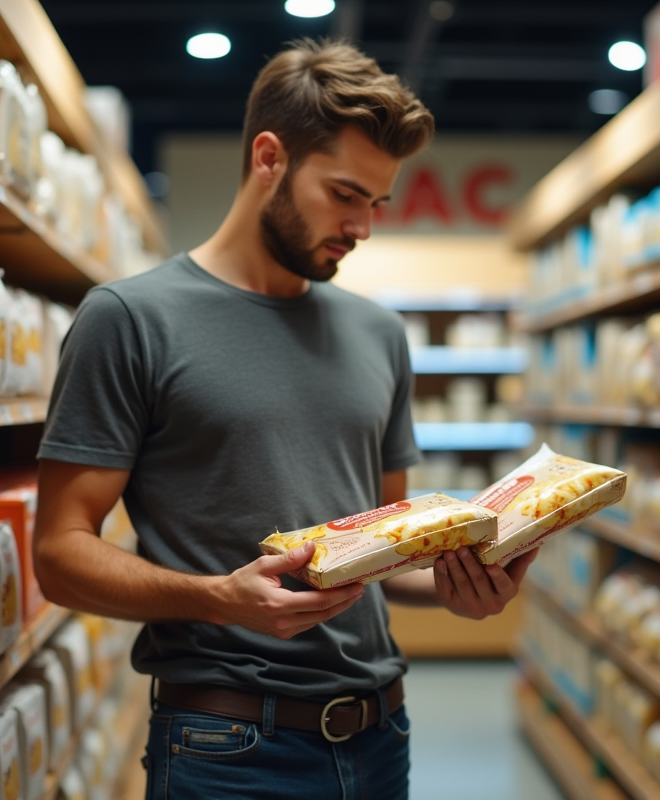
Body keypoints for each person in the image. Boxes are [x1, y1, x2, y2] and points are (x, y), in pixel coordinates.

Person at [34, 38, 538, 800]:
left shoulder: (379, 334)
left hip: (382, 736)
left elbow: (387, 552)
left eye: (376, 204)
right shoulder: (130, 319)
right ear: (269, 157)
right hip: (227, 748)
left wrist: (460, 585)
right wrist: (219, 598)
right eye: (345, 195)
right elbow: (59, 552)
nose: (363, 227)